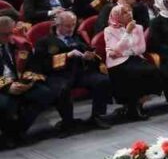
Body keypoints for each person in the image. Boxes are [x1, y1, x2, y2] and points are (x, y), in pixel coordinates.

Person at [32, 11, 113, 131]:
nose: (71, 29)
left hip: (79, 72)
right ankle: (67, 122)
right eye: (67, 26)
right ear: (58, 25)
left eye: (73, 25)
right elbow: (42, 64)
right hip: (58, 75)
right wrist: (67, 56)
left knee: (102, 80)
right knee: (62, 89)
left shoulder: (77, 37)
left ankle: (97, 116)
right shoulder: (44, 42)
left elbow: (89, 50)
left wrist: (89, 56)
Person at [0, 16, 60, 147]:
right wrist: (7, 86)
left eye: (11, 33)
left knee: (45, 94)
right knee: (6, 104)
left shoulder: (21, 44)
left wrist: (28, 82)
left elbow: (33, 66)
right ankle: (8, 135)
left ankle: (19, 130)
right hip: (2, 85)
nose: (9, 37)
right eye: (4, 34)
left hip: (20, 81)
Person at [102, 3, 163, 120]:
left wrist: (124, 52)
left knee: (153, 70)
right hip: (117, 63)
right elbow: (115, 49)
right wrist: (127, 32)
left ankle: (138, 104)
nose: (129, 14)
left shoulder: (138, 27)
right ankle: (132, 107)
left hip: (134, 58)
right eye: (124, 13)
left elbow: (141, 48)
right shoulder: (108, 30)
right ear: (117, 16)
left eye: (129, 11)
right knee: (132, 73)